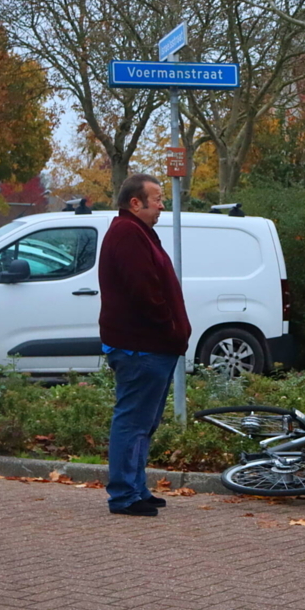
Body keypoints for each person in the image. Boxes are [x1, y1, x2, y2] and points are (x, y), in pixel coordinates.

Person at [99, 174, 191, 517]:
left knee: (144, 422)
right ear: (134, 203)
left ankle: (135, 486)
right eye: (156, 198)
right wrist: (168, 326)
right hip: (142, 347)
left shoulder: (138, 233)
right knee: (133, 420)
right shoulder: (127, 233)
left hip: (152, 346)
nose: (162, 204)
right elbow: (145, 291)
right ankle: (124, 494)